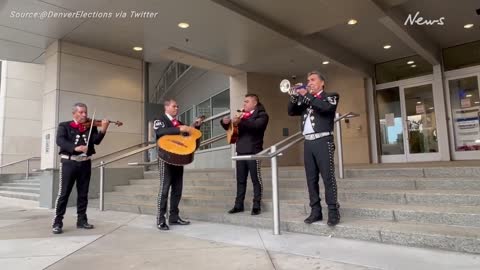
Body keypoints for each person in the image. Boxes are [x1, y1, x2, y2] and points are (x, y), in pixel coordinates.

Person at [288, 71, 341, 226]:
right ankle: (315, 211)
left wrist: (307, 95)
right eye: (307, 80)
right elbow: (291, 111)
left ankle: (333, 211)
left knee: (328, 178)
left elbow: (326, 109)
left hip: (324, 141)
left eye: (312, 80)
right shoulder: (305, 100)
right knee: (311, 180)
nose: (309, 83)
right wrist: (294, 96)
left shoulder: (331, 96)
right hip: (308, 143)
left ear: (322, 83)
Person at [52, 103, 109, 234]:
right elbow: (60, 141)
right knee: (64, 193)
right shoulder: (64, 125)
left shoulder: (91, 126)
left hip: (85, 163)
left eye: (85, 112)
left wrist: (103, 130)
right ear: (74, 113)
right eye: (81, 112)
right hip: (69, 163)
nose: (84, 115)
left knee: (83, 194)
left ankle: (82, 220)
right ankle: (57, 221)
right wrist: (74, 148)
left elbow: (96, 141)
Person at [153, 98, 203, 230]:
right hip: (165, 158)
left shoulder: (179, 122)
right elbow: (159, 132)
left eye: (177, 106)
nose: (177, 108)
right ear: (167, 107)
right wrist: (179, 129)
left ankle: (174, 217)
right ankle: (160, 219)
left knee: (177, 190)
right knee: (164, 190)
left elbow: (188, 136)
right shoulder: (160, 119)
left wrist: (195, 126)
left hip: (178, 159)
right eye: (174, 106)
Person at [221, 94, 269, 215]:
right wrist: (224, 122)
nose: (244, 104)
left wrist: (240, 121)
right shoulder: (241, 115)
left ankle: (256, 204)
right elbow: (232, 128)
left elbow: (256, 126)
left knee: (255, 179)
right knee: (240, 180)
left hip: (254, 151)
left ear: (255, 103)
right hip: (240, 151)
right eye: (244, 102)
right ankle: (238, 205)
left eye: (247, 102)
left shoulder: (262, 115)